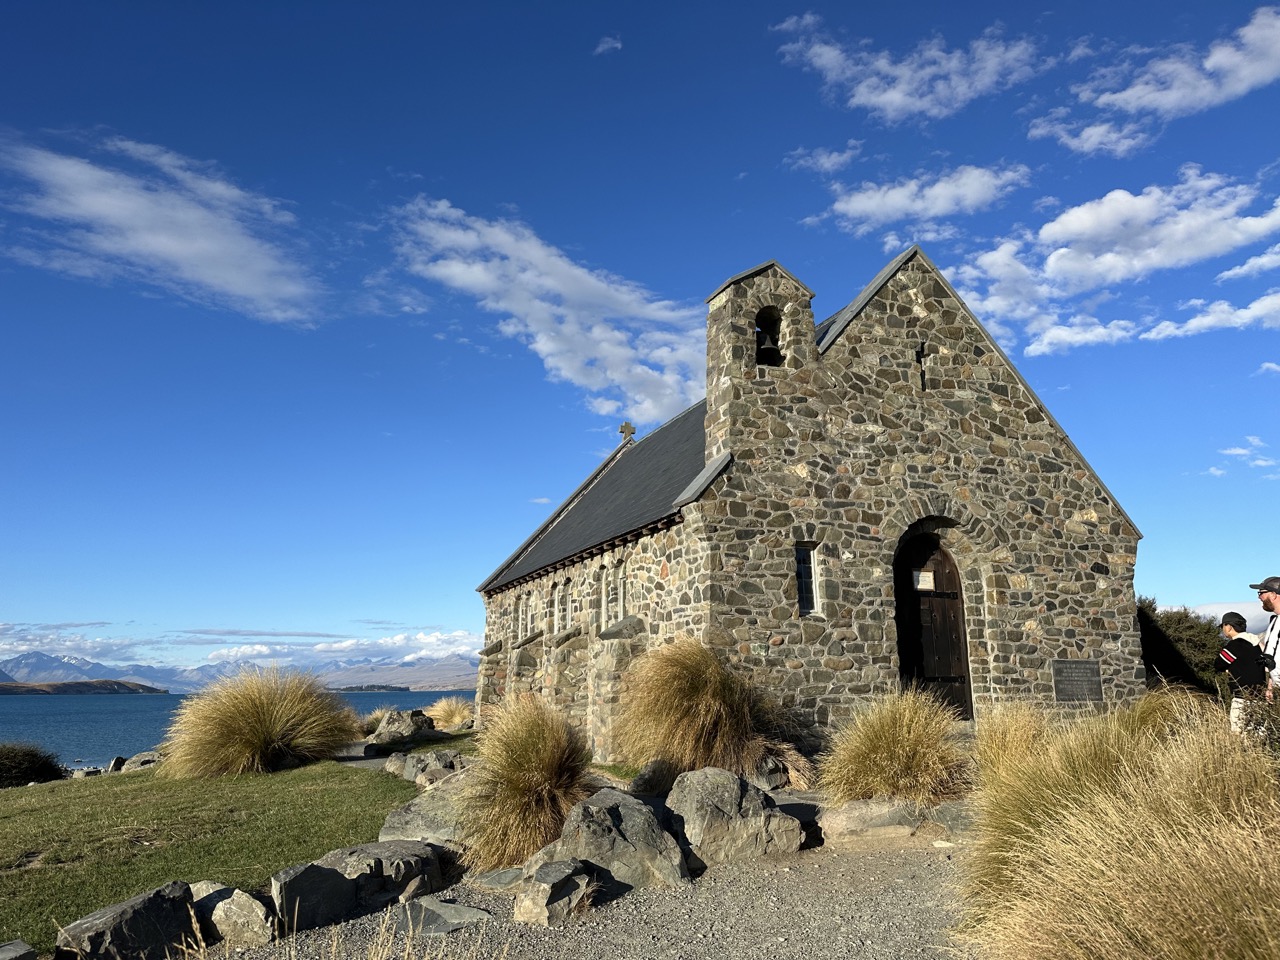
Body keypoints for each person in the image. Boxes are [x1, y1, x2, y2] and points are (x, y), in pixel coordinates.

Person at [1215, 611, 1265, 732]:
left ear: (1229, 627)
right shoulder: (1256, 644)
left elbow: (1218, 664)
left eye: (1223, 626)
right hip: (1261, 698)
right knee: (1260, 735)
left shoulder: (1235, 645)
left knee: (1240, 734)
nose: (1223, 630)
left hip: (1242, 698)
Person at [1250, 576, 1280, 697]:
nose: (1259, 597)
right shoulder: (1274, 621)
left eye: (1261, 593)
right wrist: (1271, 686)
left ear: (1273, 594)